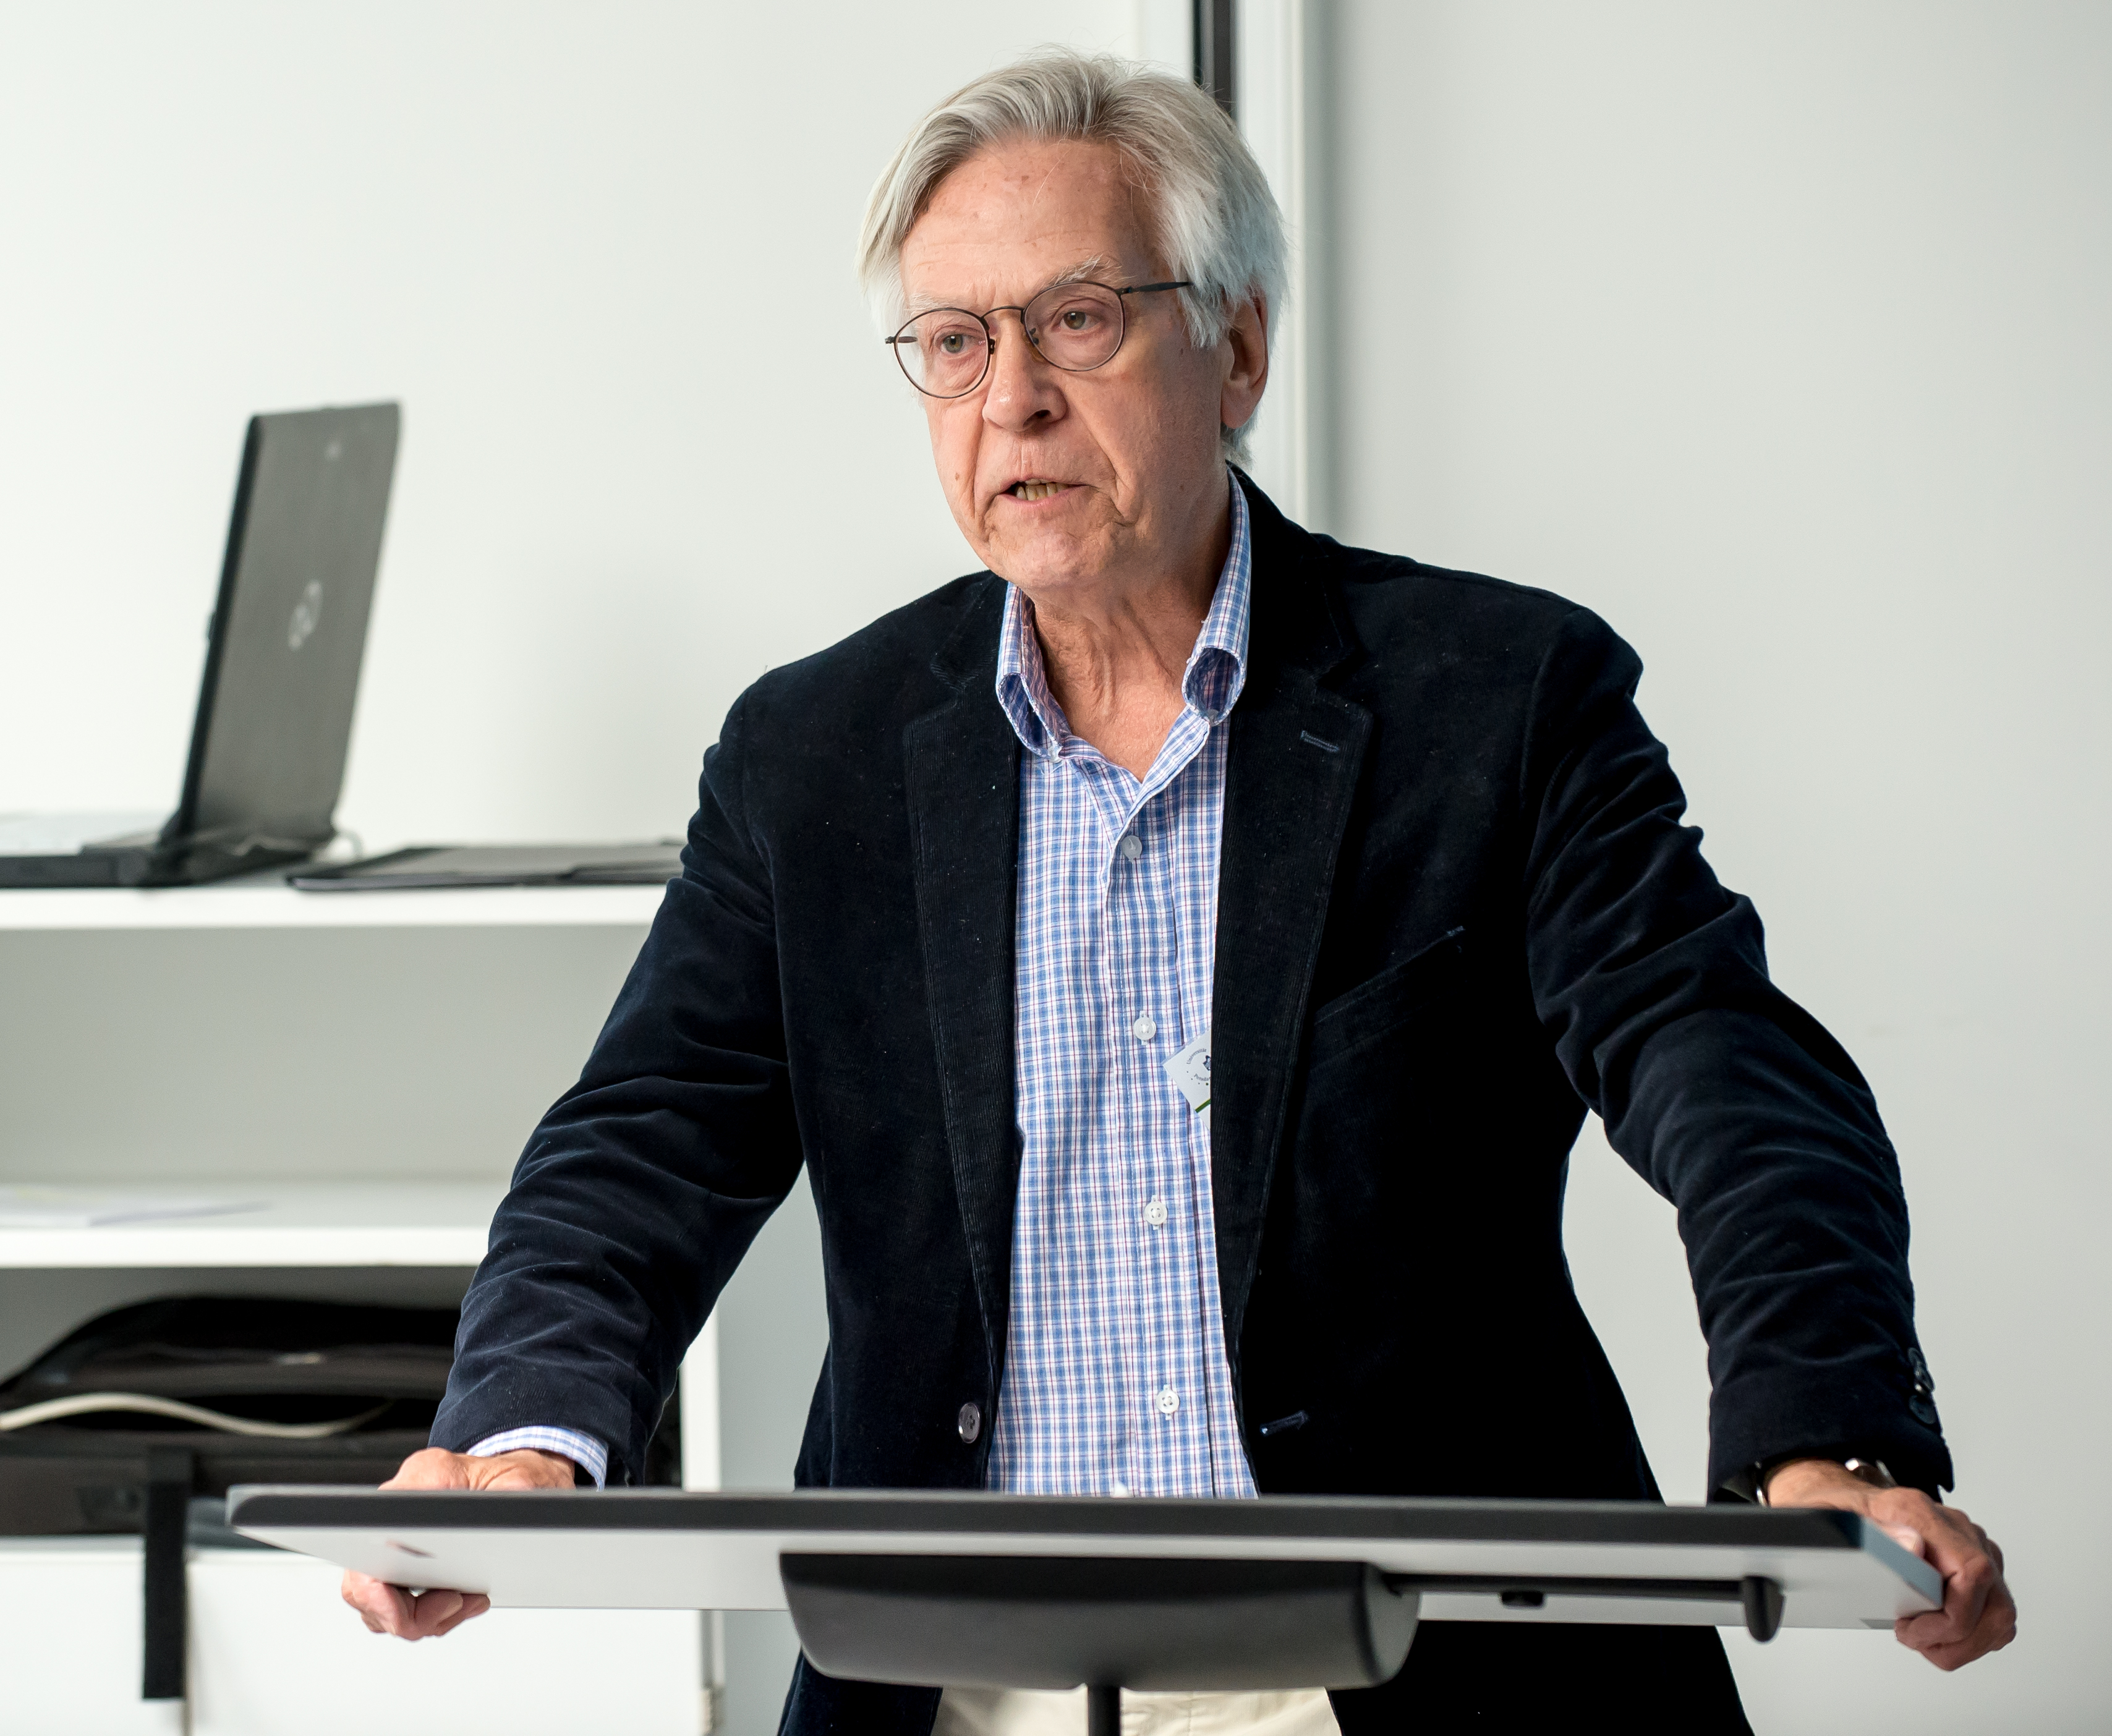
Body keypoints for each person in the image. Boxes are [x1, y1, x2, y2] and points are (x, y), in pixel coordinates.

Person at [342, 49, 2014, 1732]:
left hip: (1403, 1672)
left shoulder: (1500, 700)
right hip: (959, 1680)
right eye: (955, 342)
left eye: (1076, 321)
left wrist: (1826, 1439)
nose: (1011, 399)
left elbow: (1719, 1065)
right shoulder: (809, 756)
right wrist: (519, 1440)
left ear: (1239, 349)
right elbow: (646, 1137)